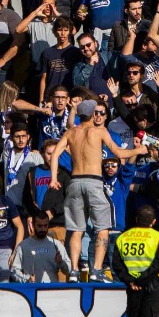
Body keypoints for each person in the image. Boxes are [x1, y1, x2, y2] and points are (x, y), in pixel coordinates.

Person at [48, 99, 144, 282]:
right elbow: (119, 153)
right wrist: (138, 151)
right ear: (93, 114)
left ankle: (74, 271)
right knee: (103, 228)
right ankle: (97, 270)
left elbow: (55, 154)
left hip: (75, 182)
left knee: (76, 230)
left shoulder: (71, 133)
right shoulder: (99, 131)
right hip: (94, 181)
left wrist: (53, 178)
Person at [112, 204, 159, 317]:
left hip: (132, 288)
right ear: (154, 221)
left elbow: (117, 264)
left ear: (136, 219)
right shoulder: (158, 237)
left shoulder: (123, 237)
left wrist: (130, 281)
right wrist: (141, 280)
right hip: (151, 286)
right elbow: (158, 264)